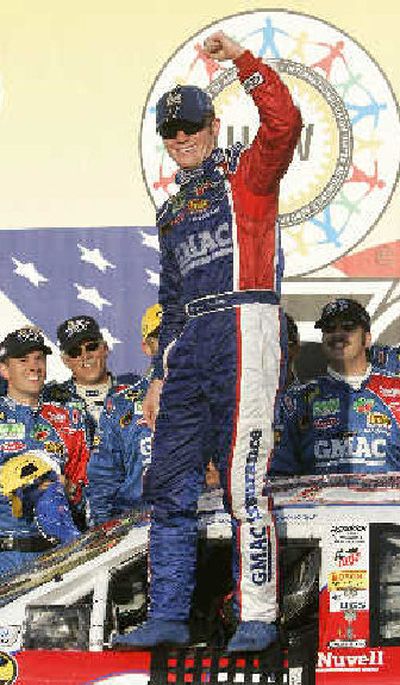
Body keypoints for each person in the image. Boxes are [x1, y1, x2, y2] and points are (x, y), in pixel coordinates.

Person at [114, 31, 301, 652]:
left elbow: (284, 121)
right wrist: (161, 375)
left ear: (212, 124)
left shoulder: (247, 174)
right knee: (168, 483)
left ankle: (259, 615)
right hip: (189, 340)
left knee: (244, 482)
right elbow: (169, 298)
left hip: (245, 325)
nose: (180, 139)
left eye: (190, 126)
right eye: (170, 133)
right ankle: (167, 613)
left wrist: (243, 61)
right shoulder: (169, 209)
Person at [270, 298, 400, 476]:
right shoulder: (296, 401)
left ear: (367, 339)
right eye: (330, 329)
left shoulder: (395, 392)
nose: (338, 335)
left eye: (348, 327)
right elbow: (280, 474)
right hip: (319, 504)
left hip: (386, 503)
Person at [0, 327, 84, 578]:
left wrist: (71, 488)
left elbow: (89, 484)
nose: (34, 366)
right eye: (23, 360)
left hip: (59, 556)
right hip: (6, 554)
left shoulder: (69, 418)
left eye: (39, 358)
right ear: (4, 370)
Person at [87, 305, 162, 525]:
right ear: (146, 347)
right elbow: (102, 481)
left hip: (203, 525)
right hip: (137, 528)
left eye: (177, 335)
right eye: (160, 337)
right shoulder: (121, 404)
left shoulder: (217, 397)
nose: (170, 344)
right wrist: (101, 532)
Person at [45, 315, 139, 442]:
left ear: (105, 348)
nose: (85, 356)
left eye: (91, 347)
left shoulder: (136, 387)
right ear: (66, 360)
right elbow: (12, 396)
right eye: (75, 352)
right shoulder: (50, 397)